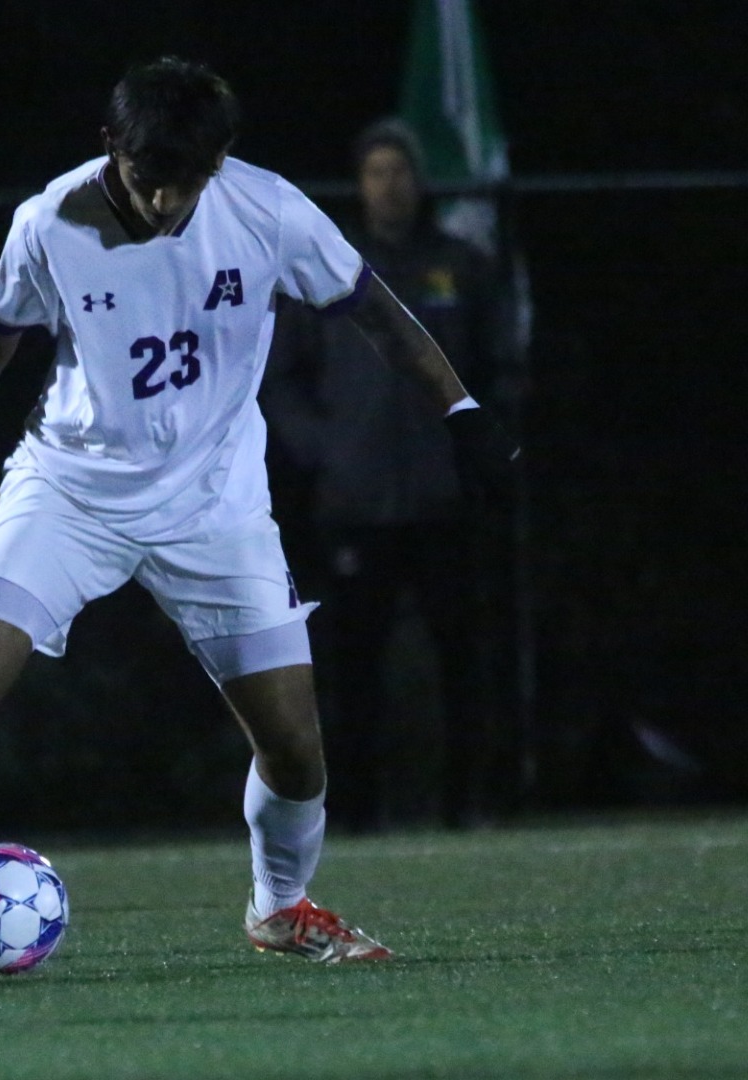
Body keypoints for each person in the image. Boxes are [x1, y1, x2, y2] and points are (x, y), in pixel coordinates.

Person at [0, 58, 518, 966]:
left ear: (222, 160)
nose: (164, 201)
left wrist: (461, 411)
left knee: (294, 750)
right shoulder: (51, 220)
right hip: (71, 489)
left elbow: (377, 311)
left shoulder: (270, 210)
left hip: (216, 503)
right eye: (144, 178)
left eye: (186, 181)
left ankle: (280, 908)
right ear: (109, 149)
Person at [262, 117, 521, 830]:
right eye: (376, 172)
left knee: (463, 663)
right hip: (355, 508)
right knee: (353, 670)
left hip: (443, 506)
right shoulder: (328, 268)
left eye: (400, 170)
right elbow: (279, 381)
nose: (389, 184)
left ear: (420, 180)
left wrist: (477, 451)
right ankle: (356, 816)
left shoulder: (461, 264)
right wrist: (326, 449)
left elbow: (498, 371)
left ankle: (470, 808)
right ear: (360, 183)